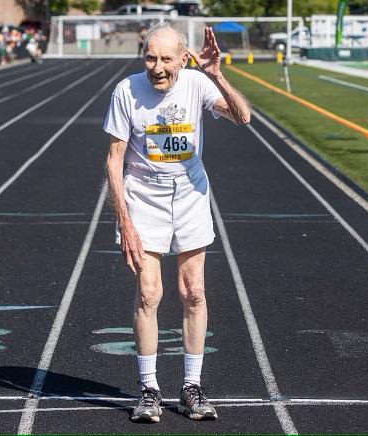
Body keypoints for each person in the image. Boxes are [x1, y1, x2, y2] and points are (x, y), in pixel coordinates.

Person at [103, 23, 250, 423]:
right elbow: (114, 160)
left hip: (189, 194)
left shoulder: (197, 85)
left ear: (183, 58)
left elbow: (243, 116)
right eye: (150, 57)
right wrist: (125, 222)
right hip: (143, 197)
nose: (157, 66)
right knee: (149, 293)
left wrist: (216, 74)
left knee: (194, 291)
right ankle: (149, 389)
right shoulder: (126, 91)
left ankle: (191, 386)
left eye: (166, 58)